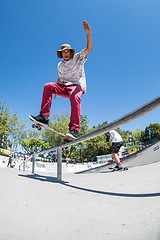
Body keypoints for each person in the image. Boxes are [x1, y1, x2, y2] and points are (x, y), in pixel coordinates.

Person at [30, 20, 92, 139]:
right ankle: (44, 117)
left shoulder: (78, 57)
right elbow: (59, 78)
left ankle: (74, 129)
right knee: (48, 86)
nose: (66, 54)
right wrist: (56, 91)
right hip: (64, 87)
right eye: (63, 52)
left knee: (75, 97)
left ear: (71, 52)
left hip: (77, 86)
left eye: (67, 51)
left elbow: (89, 48)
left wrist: (88, 33)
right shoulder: (60, 65)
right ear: (61, 54)